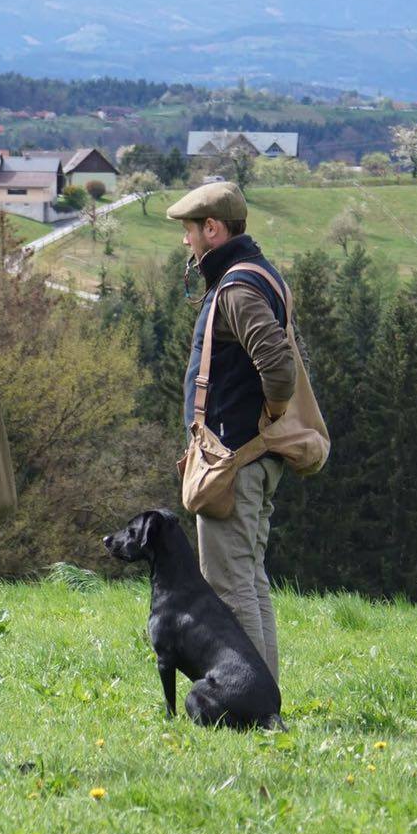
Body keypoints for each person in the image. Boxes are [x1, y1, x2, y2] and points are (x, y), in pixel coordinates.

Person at [169, 181, 295, 682]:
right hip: (249, 459)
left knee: (228, 585)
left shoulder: (238, 288)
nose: (186, 242)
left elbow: (281, 371)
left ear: (213, 229)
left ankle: (252, 703)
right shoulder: (260, 275)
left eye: (190, 231)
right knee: (249, 579)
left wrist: (261, 423)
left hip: (234, 461)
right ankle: (264, 698)